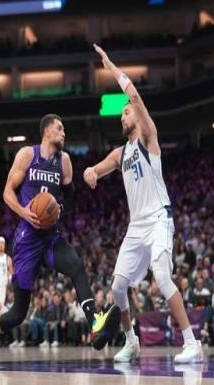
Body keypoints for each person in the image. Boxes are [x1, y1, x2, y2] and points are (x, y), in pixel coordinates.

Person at [83, 44, 203, 364]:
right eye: (122, 113)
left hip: (159, 219)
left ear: (136, 114)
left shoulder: (149, 137)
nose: (122, 115)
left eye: (125, 112)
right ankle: (132, 342)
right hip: (136, 226)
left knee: (162, 277)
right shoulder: (121, 153)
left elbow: (134, 96)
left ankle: (192, 342)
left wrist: (110, 66)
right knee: (118, 287)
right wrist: (91, 171)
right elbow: (101, 167)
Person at [0, 113, 120, 364]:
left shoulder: (65, 162)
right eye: (60, 128)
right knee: (18, 313)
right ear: (47, 131)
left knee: (76, 266)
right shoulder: (27, 155)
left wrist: (61, 208)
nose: (64, 133)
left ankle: (95, 322)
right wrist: (23, 212)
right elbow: (7, 192)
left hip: (50, 237)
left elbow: (70, 197)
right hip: (27, 240)